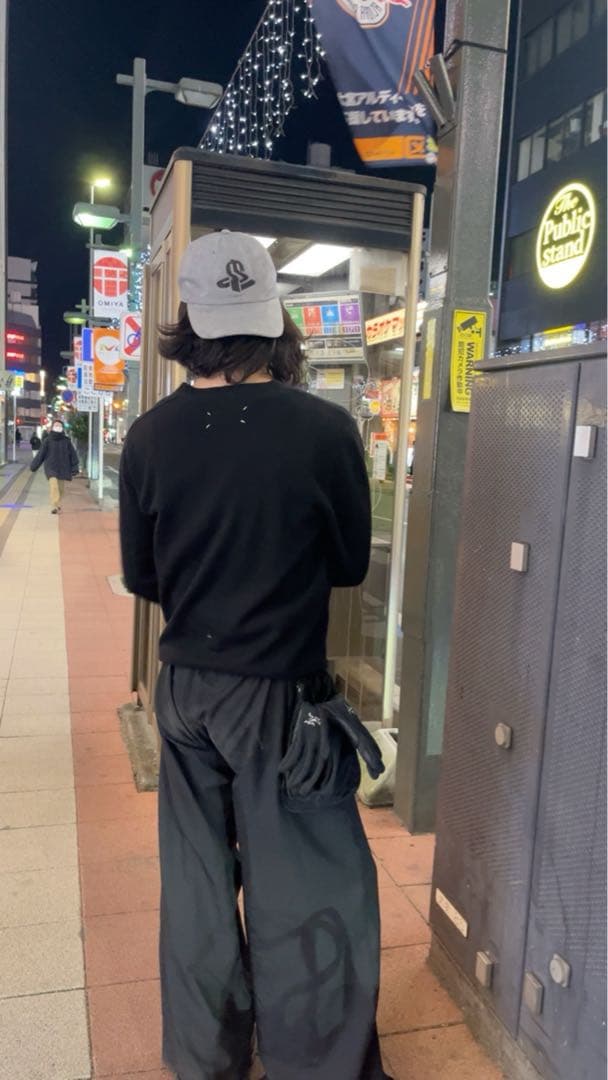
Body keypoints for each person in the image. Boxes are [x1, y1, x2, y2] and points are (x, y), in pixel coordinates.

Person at [119, 233, 391, 1080]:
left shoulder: (149, 437)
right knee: (308, 884)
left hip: (185, 691)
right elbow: (349, 564)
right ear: (274, 319)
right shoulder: (325, 431)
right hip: (279, 696)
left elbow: (143, 576)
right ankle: (314, 1062)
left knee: (197, 886)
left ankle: (208, 1059)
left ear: (191, 322)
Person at [31, 418, 79, 513]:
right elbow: (41, 454)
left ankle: (57, 504)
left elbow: (73, 455)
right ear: (53, 427)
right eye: (56, 425)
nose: (58, 427)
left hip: (63, 467)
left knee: (61, 490)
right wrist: (34, 466)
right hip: (51, 467)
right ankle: (54, 506)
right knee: (54, 486)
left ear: (62, 428)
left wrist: (75, 468)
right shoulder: (47, 440)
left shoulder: (66, 441)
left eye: (59, 426)